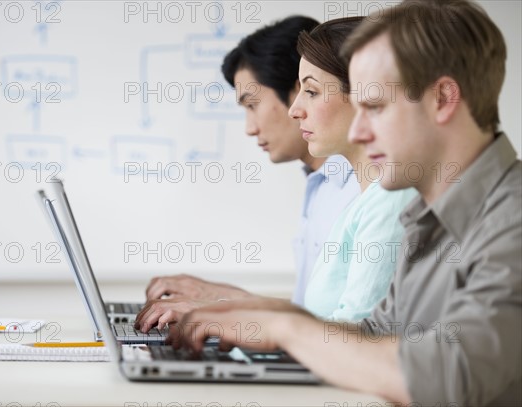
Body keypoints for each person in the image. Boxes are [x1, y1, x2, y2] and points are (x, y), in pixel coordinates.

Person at [170, 1, 522, 406]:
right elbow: (372, 334)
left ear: (442, 98)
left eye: (373, 107)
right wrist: (248, 319)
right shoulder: (425, 219)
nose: (358, 129)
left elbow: (454, 375)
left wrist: (287, 331)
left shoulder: (511, 222)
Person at [135, 17, 417, 331]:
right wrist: (223, 304)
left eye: (310, 91)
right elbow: (317, 314)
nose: (296, 110)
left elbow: (354, 333)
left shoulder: (380, 195)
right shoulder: (349, 196)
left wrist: (232, 315)